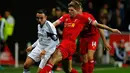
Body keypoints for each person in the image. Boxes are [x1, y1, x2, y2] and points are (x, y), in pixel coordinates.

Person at [40, 1, 121, 73]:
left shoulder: (84, 18)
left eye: (72, 10)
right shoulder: (66, 16)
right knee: (69, 69)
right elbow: (55, 23)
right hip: (76, 40)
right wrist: (47, 28)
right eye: (69, 10)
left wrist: (111, 30)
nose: (70, 12)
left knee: (52, 61)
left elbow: (98, 26)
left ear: (78, 9)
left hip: (89, 37)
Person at [23, 9, 59, 73]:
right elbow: (40, 38)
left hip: (48, 49)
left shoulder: (49, 26)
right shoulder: (39, 25)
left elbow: (56, 41)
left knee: (40, 72)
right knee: (26, 65)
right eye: (37, 18)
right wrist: (32, 46)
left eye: (41, 18)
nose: (39, 20)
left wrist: (45, 50)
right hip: (40, 47)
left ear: (46, 17)